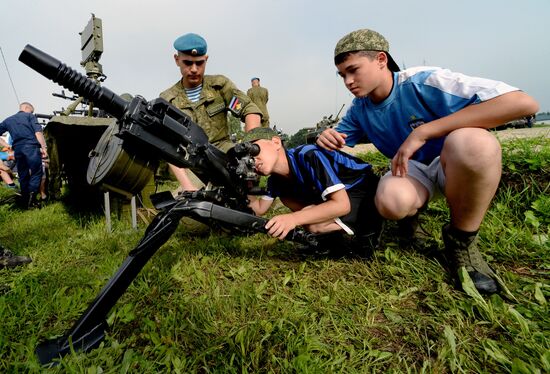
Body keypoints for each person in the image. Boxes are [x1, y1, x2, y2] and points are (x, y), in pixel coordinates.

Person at [316, 29, 539, 294]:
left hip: (455, 163)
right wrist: (325, 140)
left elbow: (523, 103)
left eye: (354, 70)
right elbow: (334, 149)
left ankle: (462, 241)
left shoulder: (425, 81)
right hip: (413, 171)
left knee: (476, 144)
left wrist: (424, 131)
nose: (348, 81)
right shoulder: (359, 109)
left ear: (380, 60)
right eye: (342, 75)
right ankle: (409, 222)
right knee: (391, 201)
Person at [246, 127, 383, 258]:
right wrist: (246, 181)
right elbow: (258, 209)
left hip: (362, 186)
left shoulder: (308, 155)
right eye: (247, 158)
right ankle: (333, 239)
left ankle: (365, 232)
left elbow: (342, 205)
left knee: (313, 223)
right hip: (342, 196)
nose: (253, 160)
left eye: (254, 150)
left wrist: (293, 219)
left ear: (276, 142)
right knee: (291, 201)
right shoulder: (275, 180)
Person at [160, 33, 262, 191]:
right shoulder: (168, 100)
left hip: (224, 153)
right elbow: (168, 145)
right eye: (188, 63)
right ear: (176, 60)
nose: (194, 69)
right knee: (189, 208)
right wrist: (188, 186)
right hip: (192, 162)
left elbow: (249, 110)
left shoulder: (220, 87)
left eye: (199, 63)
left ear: (206, 59)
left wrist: (251, 145)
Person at [0, 102, 48, 208]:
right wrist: (44, 148)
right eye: (31, 111)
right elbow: (38, 133)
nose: (32, 113)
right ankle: (31, 201)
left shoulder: (8, 120)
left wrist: (7, 145)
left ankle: (25, 200)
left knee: (23, 174)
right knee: (36, 172)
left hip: (18, 150)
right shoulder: (30, 116)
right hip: (31, 147)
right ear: (26, 108)